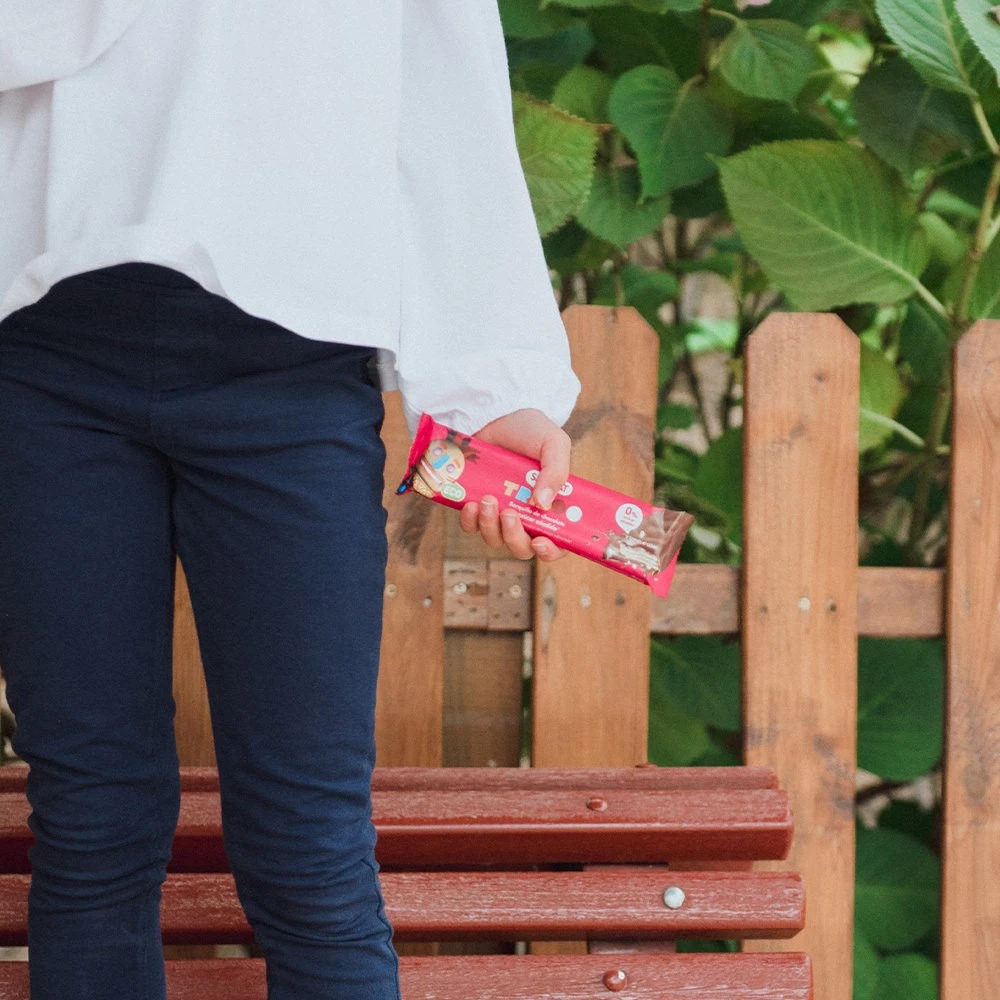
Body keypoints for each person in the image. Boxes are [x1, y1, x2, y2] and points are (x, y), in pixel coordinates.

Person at [0, 2, 581, 998]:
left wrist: (496, 385)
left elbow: (443, 93)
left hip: (294, 370)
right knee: (92, 822)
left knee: (307, 843)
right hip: (44, 348)